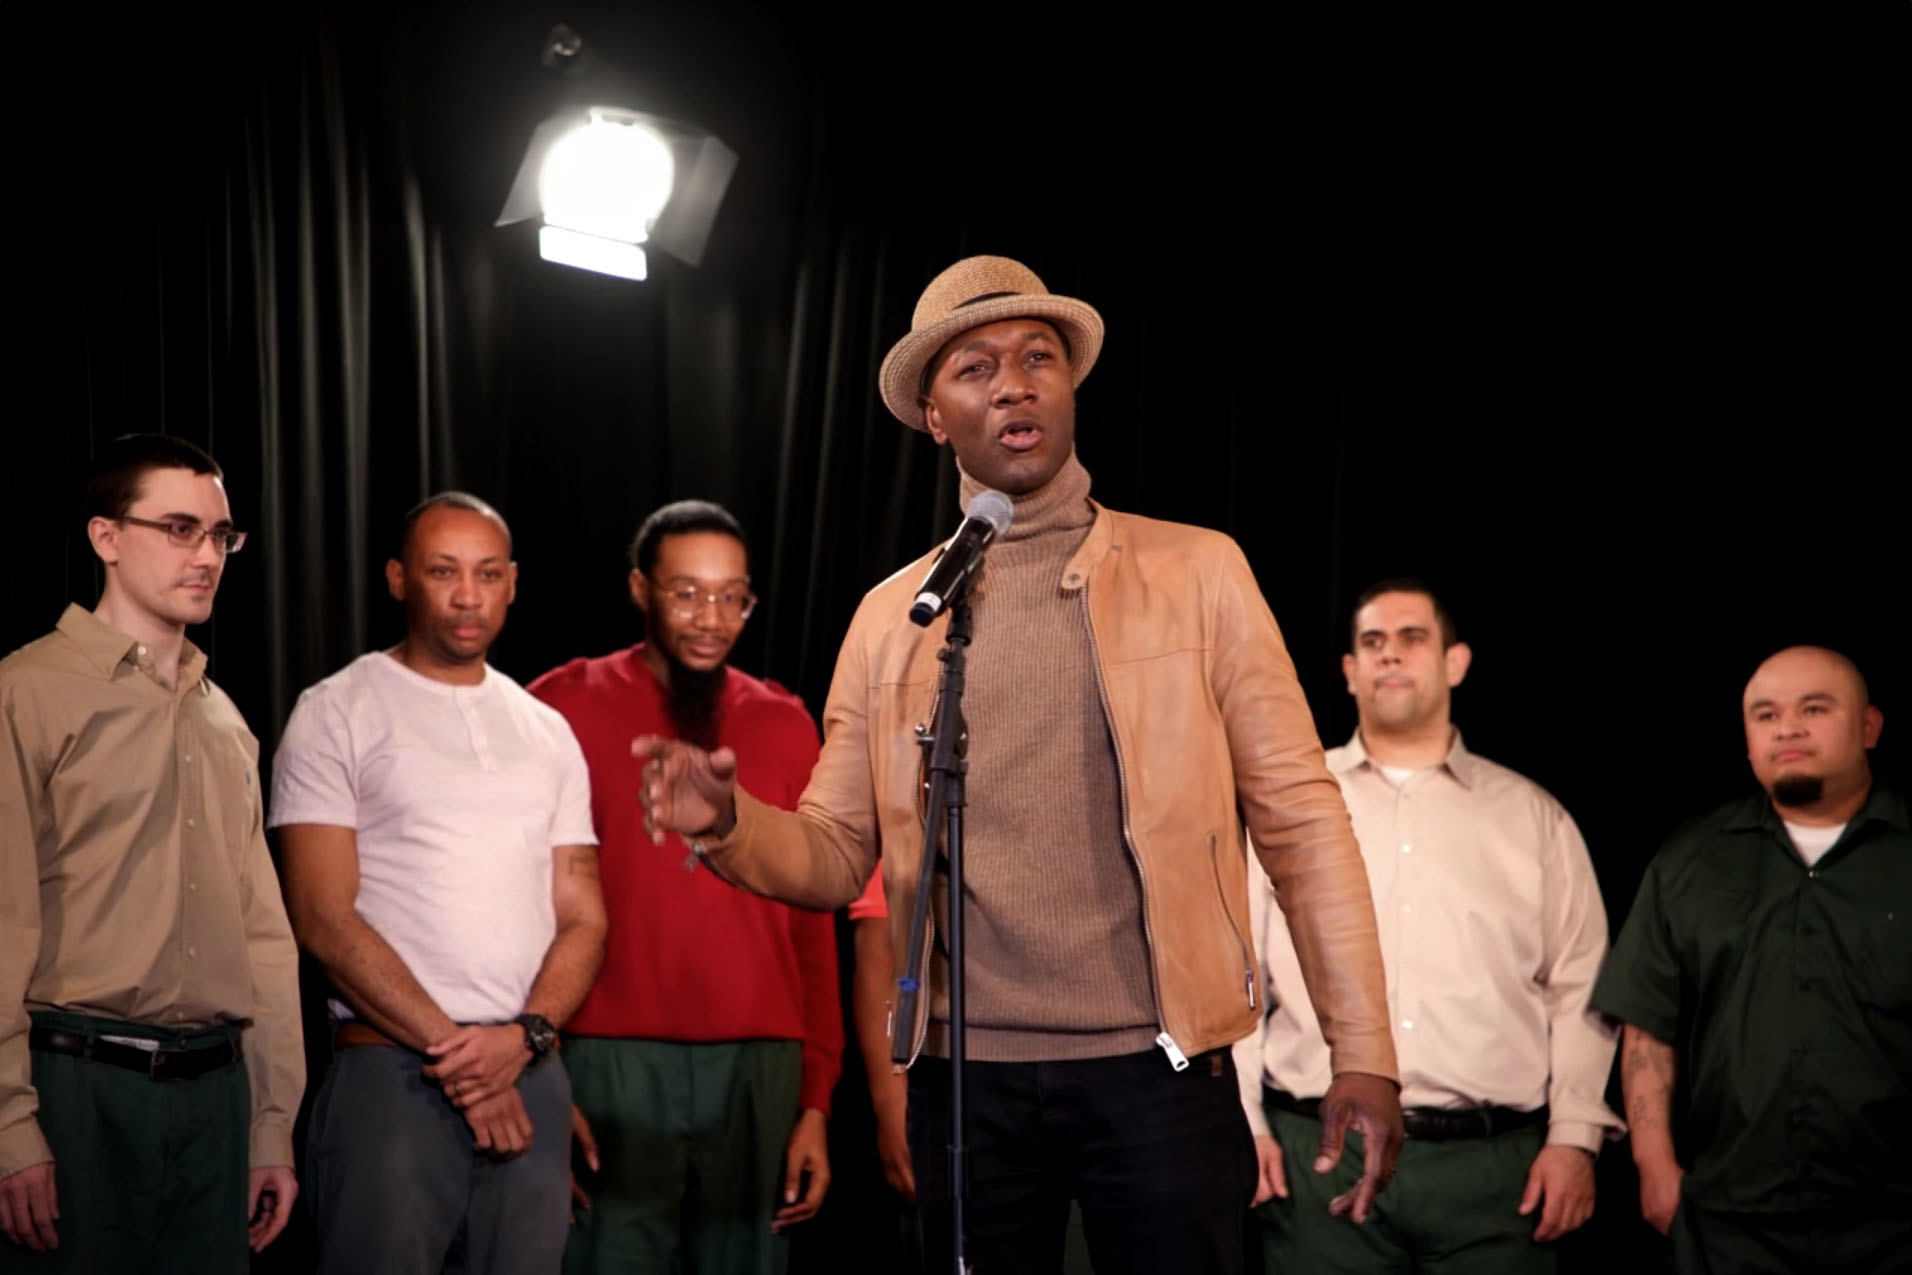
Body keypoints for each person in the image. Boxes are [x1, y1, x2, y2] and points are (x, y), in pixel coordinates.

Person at [635, 255, 1404, 1275]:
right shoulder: (892, 617)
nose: (1013, 382)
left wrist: (1365, 1053)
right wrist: (728, 824)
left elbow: (1303, 826)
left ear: (1068, 385)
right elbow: (832, 852)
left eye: (1037, 356)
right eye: (976, 367)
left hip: (1158, 1071)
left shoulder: (1198, 572)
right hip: (966, 1085)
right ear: (930, 411)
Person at [1234, 580, 1621, 1271]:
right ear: (1349, 672)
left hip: (1493, 1172)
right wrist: (1245, 1119)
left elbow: (1582, 986)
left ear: (1455, 662)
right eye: (1372, 643)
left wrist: (1575, 1137)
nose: (1391, 657)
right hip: (1317, 1150)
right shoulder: (1291, 805)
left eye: (1412, 639)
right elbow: (1238, 975)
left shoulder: (1533, 818)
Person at [271, 491, 607, 1275]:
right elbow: (321, 916)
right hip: (395, 1074)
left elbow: (584, 916)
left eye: (487, 573)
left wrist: (519, 1041)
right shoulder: (336, 710)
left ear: (513, 582)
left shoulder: (545, 729)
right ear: (397, 579)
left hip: (526, 1066)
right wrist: (464, 1062)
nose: (467, 595)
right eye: (443, 571)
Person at [0, 434, 303, 1271]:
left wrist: (271, 1120)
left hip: (216, 1091)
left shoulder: (224, 719)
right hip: (76, 1082)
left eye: (220, 535)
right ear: (106, 537)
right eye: (179, 528)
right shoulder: (27, 691)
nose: (206, 554)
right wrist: (9, 1124)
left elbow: (265, 936)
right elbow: (3, 917)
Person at [528, 500, 840, 1274]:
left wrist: (816, 1100)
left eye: (732, 594)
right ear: (640, 588)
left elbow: (813, 923)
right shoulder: (560, 705)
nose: (712, 615)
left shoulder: (786, 722)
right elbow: (518, 901)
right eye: (687, 591)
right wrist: (543, 1073)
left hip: (760, 1065)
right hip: (605, 1054)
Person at [1592, 645, 1912, 1274]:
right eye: (1765, 716)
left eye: (1814, 708)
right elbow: (1648, 1027)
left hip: (1898, 1224)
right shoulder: (1690, 860)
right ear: (1747, 740)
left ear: (1870, 727)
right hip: (1729, 1225)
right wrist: (1654, 1168)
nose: (1787, 727)